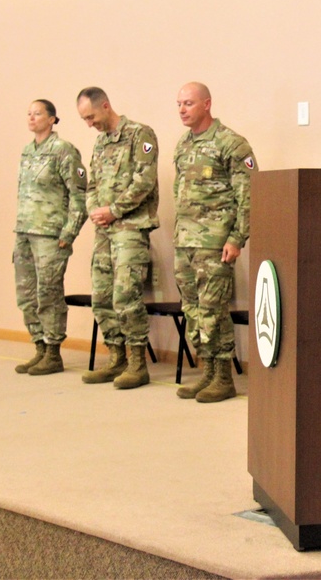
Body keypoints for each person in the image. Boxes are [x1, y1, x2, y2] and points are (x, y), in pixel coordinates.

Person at [172, 82, 256, 403]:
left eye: (188, 103)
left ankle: (223, 378)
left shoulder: (230, 144)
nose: (182, 109)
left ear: (207, 104)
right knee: (192, 309)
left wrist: (237, 238)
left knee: (213, 309)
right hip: (186, 242)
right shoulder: (183, 144)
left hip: (215, 243)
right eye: (179, 104)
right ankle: (206, 372)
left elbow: (248, 196)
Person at [76, 87, 159, 389]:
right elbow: (92, 185)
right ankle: (116, 358)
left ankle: (138, 364)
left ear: (106, 106)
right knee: (101, 296)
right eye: (84, 119)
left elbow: (144, 181)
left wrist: (113, 210)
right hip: (105, 231)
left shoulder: (140, 134)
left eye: (91, 117)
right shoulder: (99, 144)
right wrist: (96, 212)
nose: (89, 124)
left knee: (126, 295)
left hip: (131, 228)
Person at [14, 99, 88, 375]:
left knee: (49, 294)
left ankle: (54, 352)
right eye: (29, 113)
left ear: (53, 119)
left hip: (50, 235)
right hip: (24, 232)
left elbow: (79, 195)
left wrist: (69, 233)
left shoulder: (64, 151)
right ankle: (40, 347)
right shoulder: (27, 152)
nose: (32, 118)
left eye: (38, 113)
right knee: (26, 294)